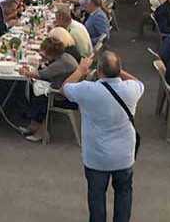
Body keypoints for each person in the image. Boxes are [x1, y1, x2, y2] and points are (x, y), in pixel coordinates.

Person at [62, 51, 143, 222]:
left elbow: (65, 88)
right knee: (124, 193)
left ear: (98, 71)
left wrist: (80, 70)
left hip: (96, 156)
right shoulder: (131, 90)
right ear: (119, 69)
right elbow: (138, 82)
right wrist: (119, 71)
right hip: (124, 155)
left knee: (96, 197)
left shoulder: (88, 90)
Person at [20, 36, 79, 142]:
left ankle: (41, 132)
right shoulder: (65, 57)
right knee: (37, 90)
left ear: (50, 53)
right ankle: (34, 125)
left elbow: (41, 74)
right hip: (68, 90)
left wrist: (25, 72)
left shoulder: (61, 63)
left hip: (64, 97)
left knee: (38, 95)